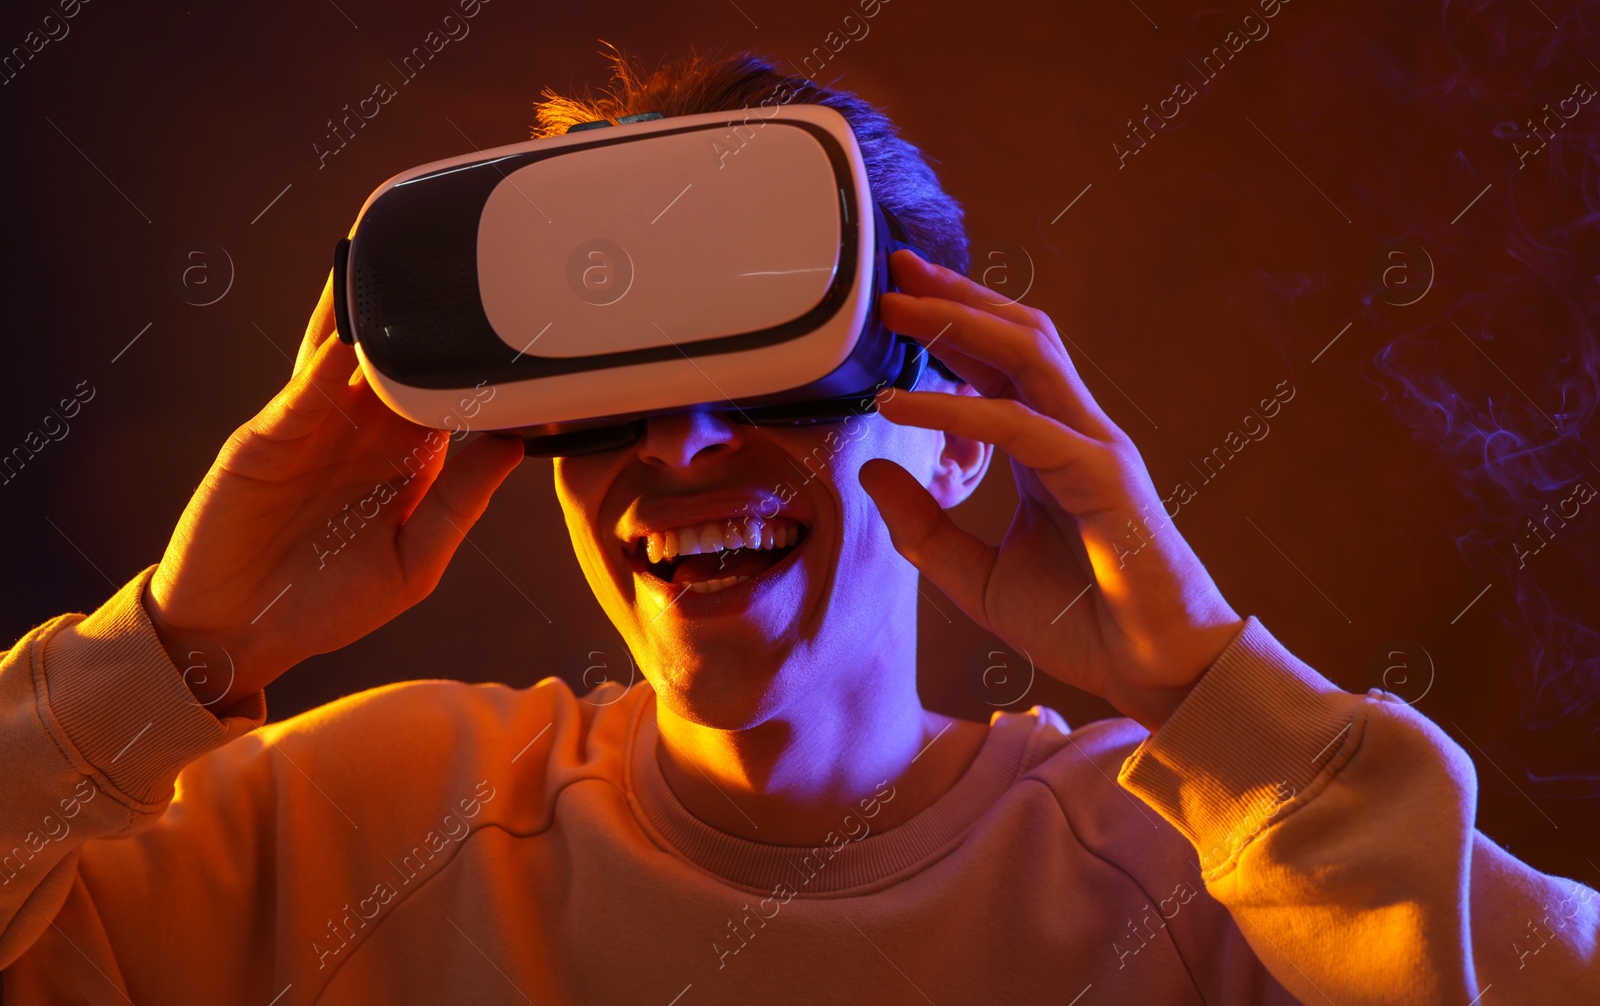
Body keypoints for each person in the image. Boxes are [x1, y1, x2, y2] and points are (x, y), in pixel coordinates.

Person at [1, 50, 1595, 1005]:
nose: (681, 450)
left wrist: (1205, 692)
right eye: (607, 404)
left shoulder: (1222, 879)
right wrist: (186, 634)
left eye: (778, 384)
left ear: (962, 428)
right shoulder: (345, 828)